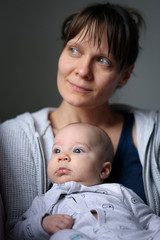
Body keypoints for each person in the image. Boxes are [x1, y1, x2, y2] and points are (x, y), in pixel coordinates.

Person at [0, 1, 160, 239]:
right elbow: (16, 231)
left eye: (103, 60)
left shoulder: (155, 132)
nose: (83, 70)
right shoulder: (13, 136)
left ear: (124, 75)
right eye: (74, 50)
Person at [13, 123, 160, 240]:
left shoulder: (119, 192)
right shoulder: (44, 201)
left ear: (104, 170)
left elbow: (148, 220)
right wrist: (43, 224)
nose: (62, 156)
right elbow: (15, 233)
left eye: (77, 150)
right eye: (57, 150)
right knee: (61, 236)